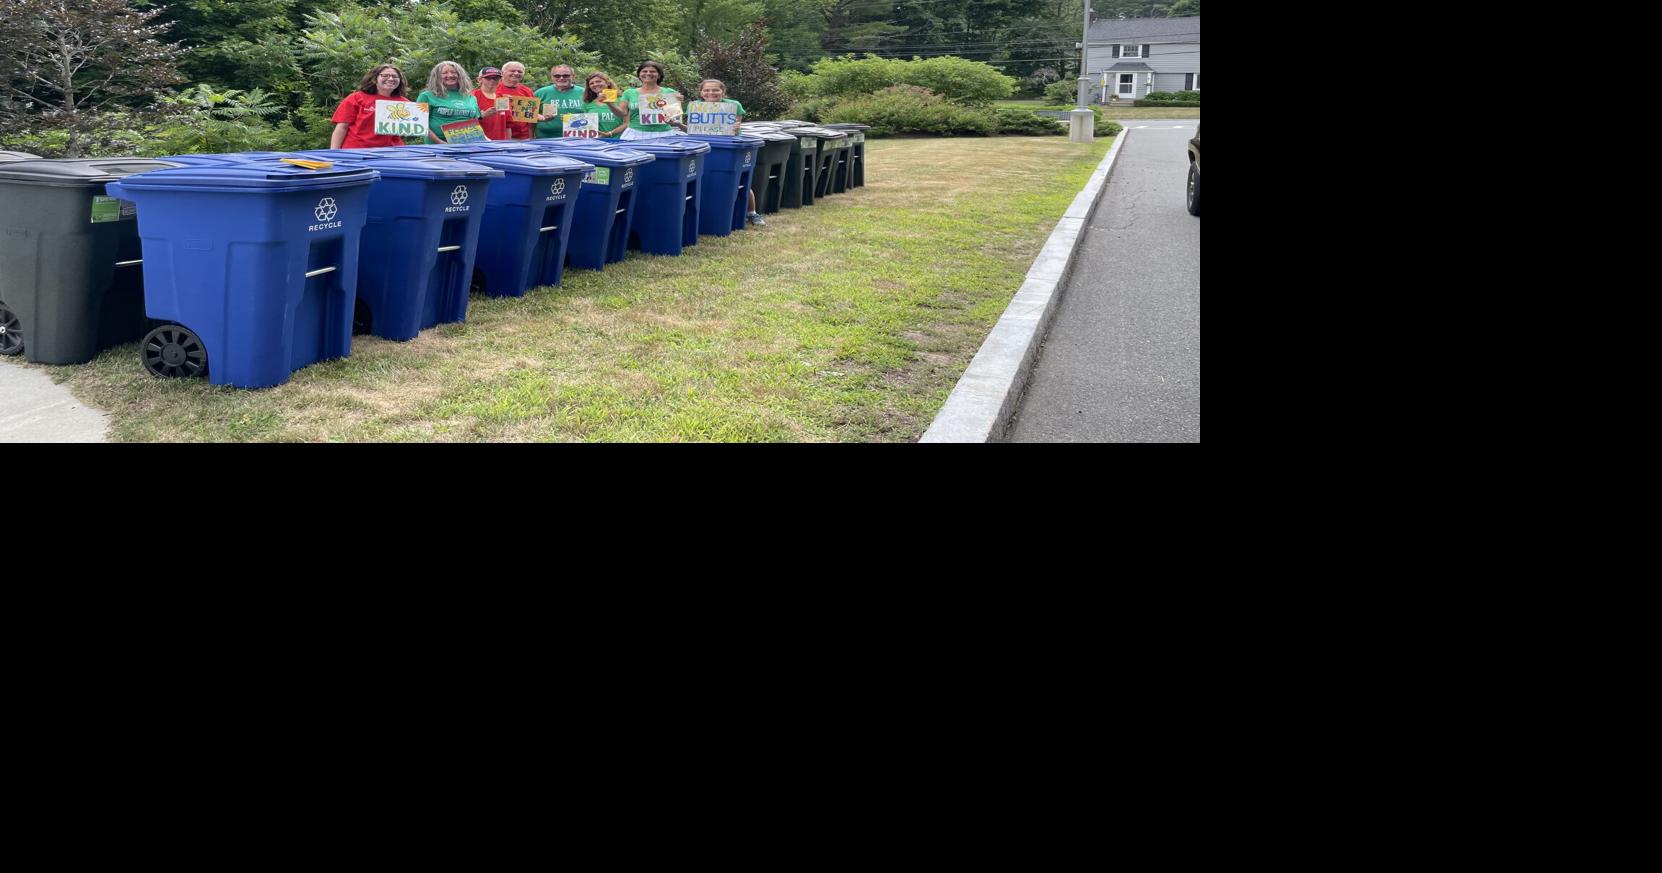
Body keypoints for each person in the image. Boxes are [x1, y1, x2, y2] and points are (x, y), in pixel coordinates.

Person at [699, 78, 764, 226]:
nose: (711, 93)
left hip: (729, 146)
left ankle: (752, 213)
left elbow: (736, 127)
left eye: (715, 90)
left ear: (723, 92)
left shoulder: (733, 105)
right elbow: (692, 129)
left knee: (739, 180)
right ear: (701, 93)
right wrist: (676, 124)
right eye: (707, 90)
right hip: (705, 146)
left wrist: (735, 127)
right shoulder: (696, 107)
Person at [329, 64, 411, 149]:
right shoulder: (356, 98)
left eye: (394, 76)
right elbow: (342, 127)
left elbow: (418, 127)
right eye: (385, 75)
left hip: (391, 152)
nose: (390, 79)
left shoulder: (404, 103)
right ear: (375, 79)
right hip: (357, 152)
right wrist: (334, 153)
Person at [610, 60, 683, 141]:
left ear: (659, 75)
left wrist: (678, 103)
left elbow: (674, 116)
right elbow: (621, 113)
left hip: (664, 134)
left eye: (652, 71)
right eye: (644, 71)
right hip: (635, 134)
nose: (648, 73)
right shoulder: (629, 93)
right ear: (639, 75)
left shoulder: (669, 92)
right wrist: (609, 103)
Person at [415, 61, 481, 143]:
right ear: (437, 77)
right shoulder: (426, 96)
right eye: (444, 73)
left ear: (460, 75)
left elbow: (474, 121)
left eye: (453, 72)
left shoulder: (471, 97)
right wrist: (439, 141)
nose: (450, 75)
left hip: (466, 145)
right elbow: (419, 123)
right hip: (437, 147)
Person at [533, 64, 587, 139]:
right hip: (545, 139)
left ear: (573, 76)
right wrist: (541, 118)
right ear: (552, 77)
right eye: (557, 76)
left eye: (566, 75)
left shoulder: (584, 93)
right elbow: (528, 116)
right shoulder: (540, 93)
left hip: (578, 139)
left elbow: (594, 114)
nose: (561, 78)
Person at [579, 72, 629, 138]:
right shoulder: (587, 103)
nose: (595, 84)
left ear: (608, 83)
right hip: (596, 142)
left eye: (598, 81)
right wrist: (568, 120)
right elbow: (586, 124)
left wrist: (610, 133)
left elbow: (627, 123)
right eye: (591, 83)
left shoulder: (621, 100)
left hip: (619, 141)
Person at [498, 61, 537, 141]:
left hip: (524, 137)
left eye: (520, 71)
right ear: (502, 73)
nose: (516, 73)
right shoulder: (495, 89)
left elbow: (531, 118)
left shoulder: (527, 91)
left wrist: (531, 137)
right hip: (501, 137)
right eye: (512, 71)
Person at [472, 67, 510, 140]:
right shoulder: (471, 97)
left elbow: (508, 125)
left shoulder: (502, 98)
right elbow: (463, 122)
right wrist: (482, 115)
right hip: (479, 144)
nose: (492, 80)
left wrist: (508, 143)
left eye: (496, 78)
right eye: (488, 78)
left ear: (500, 80)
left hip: (501, 145)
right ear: (479, 79)